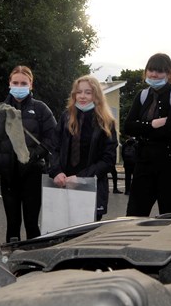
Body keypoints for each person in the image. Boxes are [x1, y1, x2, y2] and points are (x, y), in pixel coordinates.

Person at [0, 65, 58, 242]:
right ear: (9, 83)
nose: (19, 86)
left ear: (31, 85)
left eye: (23, 83)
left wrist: (34, 155)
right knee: (12, 225)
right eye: (15, 83)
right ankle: (11, 257)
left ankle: (33, 257)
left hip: (33, 173)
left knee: (31, 223)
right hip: (8, 175)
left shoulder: (41, 108)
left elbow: (52, 138)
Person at [124, 53, 171, 216]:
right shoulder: (142, 95)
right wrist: (152, 124)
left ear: (168, 73)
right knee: (134, 216)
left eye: (159, 71)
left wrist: (142, 128)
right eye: (151, 70)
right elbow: (128, 127)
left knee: (170, 217)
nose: (154, 75)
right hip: (144, 163)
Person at [49, 75, 119, 220]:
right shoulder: (66, 117)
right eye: (79, 92)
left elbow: (108, 160)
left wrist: (81, 178)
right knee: (62, 229)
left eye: (88, 92)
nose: (82, 96)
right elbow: (55, 147)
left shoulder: (106, 122)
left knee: (86, 232)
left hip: (91, 187)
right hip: (64, 185)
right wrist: (56, 171)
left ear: (96, 95)